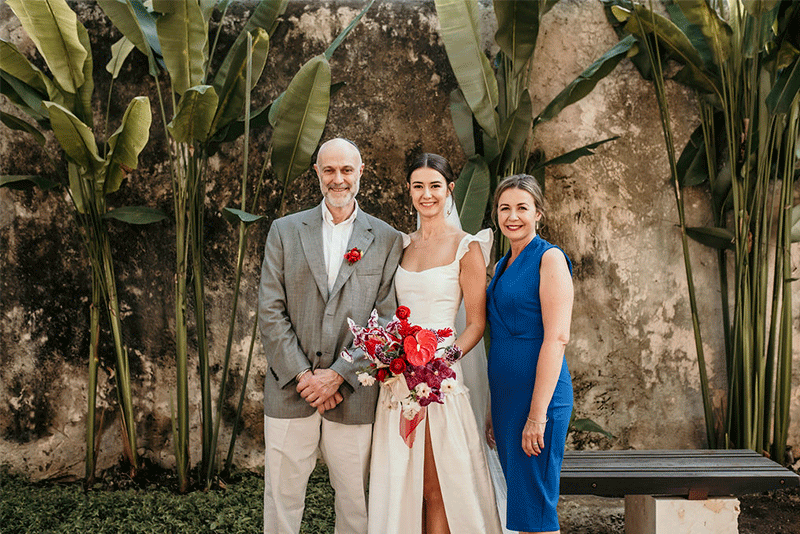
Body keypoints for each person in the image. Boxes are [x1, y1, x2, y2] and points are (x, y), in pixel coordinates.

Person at [258, 138, 404, 534]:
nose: (337, 179)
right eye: (328, 170)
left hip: (354, 392)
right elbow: (270, 311)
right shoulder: (285, 230)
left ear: (361, 173)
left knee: (356, 502)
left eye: (346, 170)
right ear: (317, 174)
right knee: (281, 500)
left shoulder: (388, 238)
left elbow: (386, 319)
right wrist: (306, 377)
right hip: (291, 389)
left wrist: (339, 373)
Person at [368, 153, 503, 534]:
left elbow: (476, 323)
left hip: (440, 380)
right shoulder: (401, 245)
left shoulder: (467, 247)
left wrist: (442, 360)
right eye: (418, 186)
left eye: (435, 186)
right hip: (399, 380)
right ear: (409, 190)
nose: (426, 194)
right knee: (401, 482)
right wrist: (393, 355)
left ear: (450, 190)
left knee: (438, 484)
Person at [485, 174, 574, 534]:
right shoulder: (502, 263)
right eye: (505, 208)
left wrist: (537, 416)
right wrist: (493, 407)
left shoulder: (549, 258)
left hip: (539, 398)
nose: (513, 216)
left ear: (539, 213)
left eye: (522, 207)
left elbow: (557, 337)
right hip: (507, 400)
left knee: (536, 508)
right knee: (522, 507)